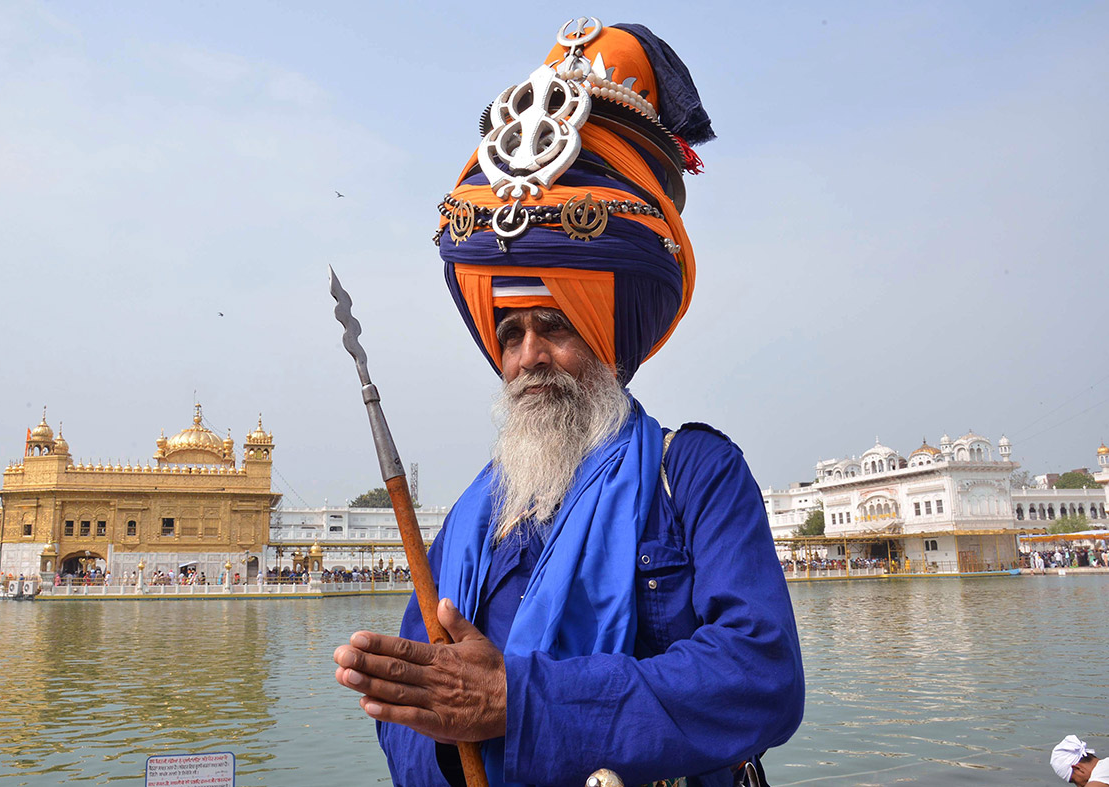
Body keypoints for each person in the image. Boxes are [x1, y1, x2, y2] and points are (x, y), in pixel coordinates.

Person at [333, 19, 803, 787]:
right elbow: (415, 723)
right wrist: (448, 730)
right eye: (510, 332)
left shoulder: (693, 475)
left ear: (607, 331)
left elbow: (760, 674)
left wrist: (517, 703)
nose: (526, 358)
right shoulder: (471, 516)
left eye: (554, 325)